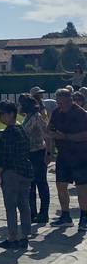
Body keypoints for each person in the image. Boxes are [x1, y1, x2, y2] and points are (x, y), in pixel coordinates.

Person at [0, 101, 33, 249]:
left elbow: (5, 157)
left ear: (11, 114)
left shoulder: (9, 132)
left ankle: (12, 237)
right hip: (25, 171)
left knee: (10, 206)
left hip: (12, 173)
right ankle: (24, 236)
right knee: (24, 205)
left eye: (1, 113)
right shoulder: (21, 129)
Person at [49, 88, 87, 232]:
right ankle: (65, 216)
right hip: (63, 155)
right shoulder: (56, 113)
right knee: (60, 185)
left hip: (80, 155)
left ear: (70, 101)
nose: (61, 106)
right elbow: (50, 129)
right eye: (59, 103)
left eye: (63, 103)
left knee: (82, 187)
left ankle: (84, 217)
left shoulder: (81, 114)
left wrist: (65, 136)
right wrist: (49, 149)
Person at [18, 94, 50, 223]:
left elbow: (46, 135)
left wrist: (49, 154)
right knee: (30, 185)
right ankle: (32, 212)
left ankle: (43, 213)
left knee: (41, 183)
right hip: (28, 154)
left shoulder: (36, 118)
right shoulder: (28, 117)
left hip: (37, 153)